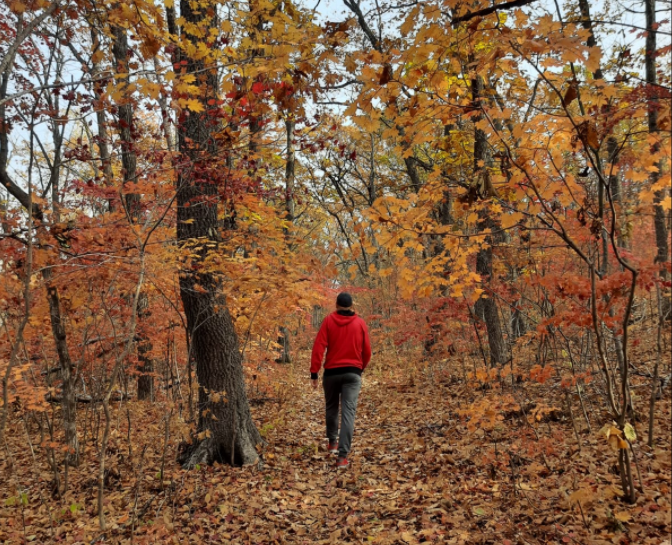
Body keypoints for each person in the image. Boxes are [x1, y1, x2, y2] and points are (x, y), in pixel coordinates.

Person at [310, 292, 372, 468]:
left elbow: (318, 347)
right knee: (348, 412)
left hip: (331, 373)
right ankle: (342, 457)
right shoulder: (360, 323)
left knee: (331, 407)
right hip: (352, 373)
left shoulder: (329, 321)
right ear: (352, 306)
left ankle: (332, 443)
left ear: (336, 305)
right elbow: (367, 351)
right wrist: (360, 368)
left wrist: (314, 372)